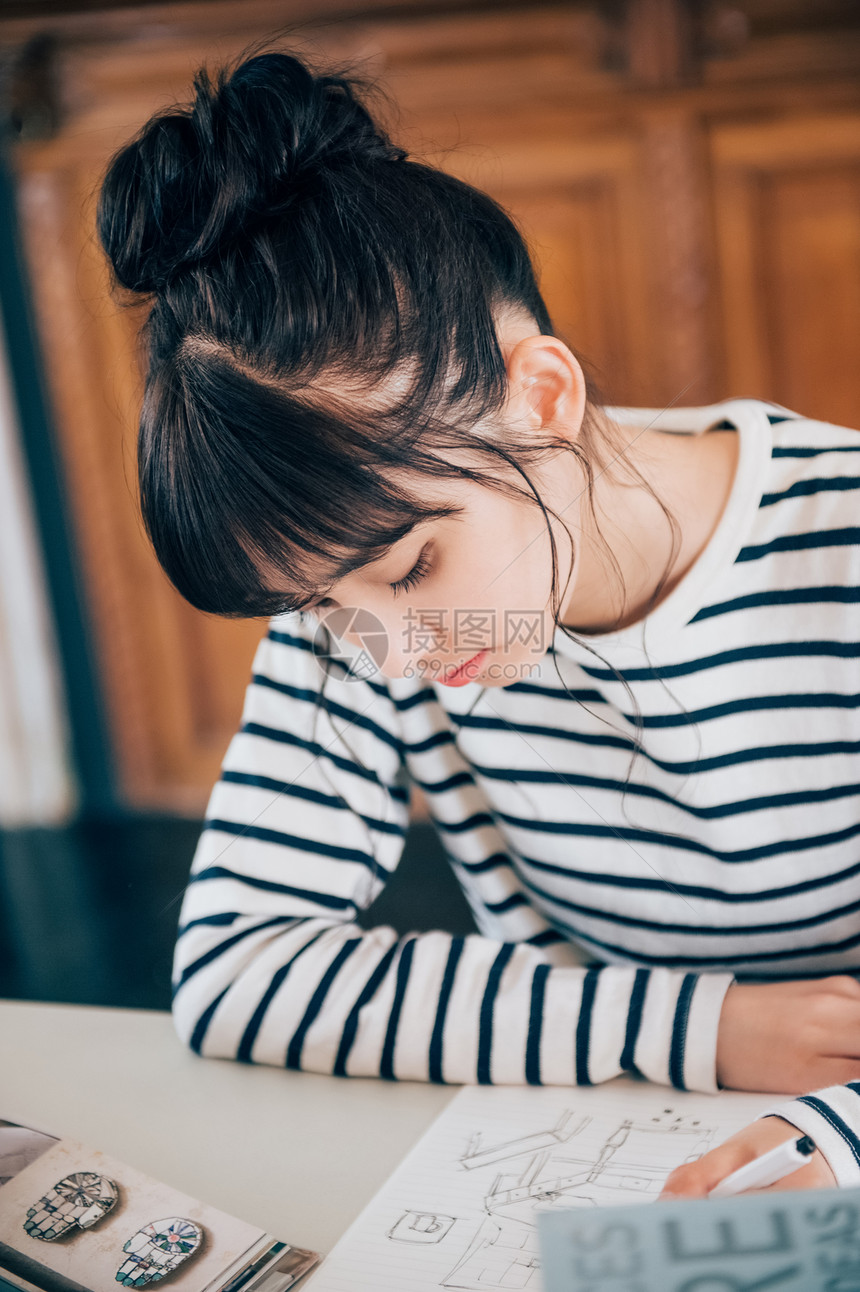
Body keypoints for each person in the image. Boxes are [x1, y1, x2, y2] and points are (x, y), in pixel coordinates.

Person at [97, 48, 860, 1199]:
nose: (393, 656)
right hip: (593, 1158)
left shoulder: (836, 541)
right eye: (320, 603)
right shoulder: (352, 611)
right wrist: (697, 1026)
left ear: (541, 395)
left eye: (411, 567)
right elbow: (235, 969)